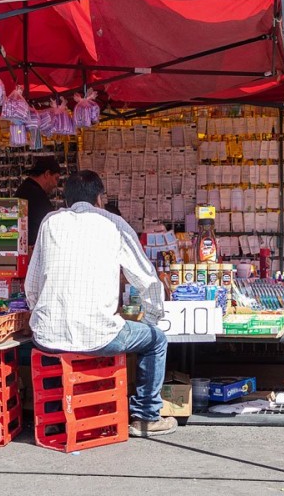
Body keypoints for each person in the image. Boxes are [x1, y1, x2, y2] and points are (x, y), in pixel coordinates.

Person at [25, 170, 176, 437]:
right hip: (99, 336)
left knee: (55, 338)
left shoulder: (50, 222)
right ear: (100, 198)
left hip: (47, 336)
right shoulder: (113, 223)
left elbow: (32, 285)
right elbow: (147, 280)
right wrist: (152, 318)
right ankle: (146, 417)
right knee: (156, 341)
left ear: (66, 199)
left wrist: (41, 314)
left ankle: (56, 415)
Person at [15, 155, 61, 247]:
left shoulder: (26, 188)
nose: (56, 184)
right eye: (56, 178)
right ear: (47, 174)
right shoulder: (35, 194)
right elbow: (51, 226)